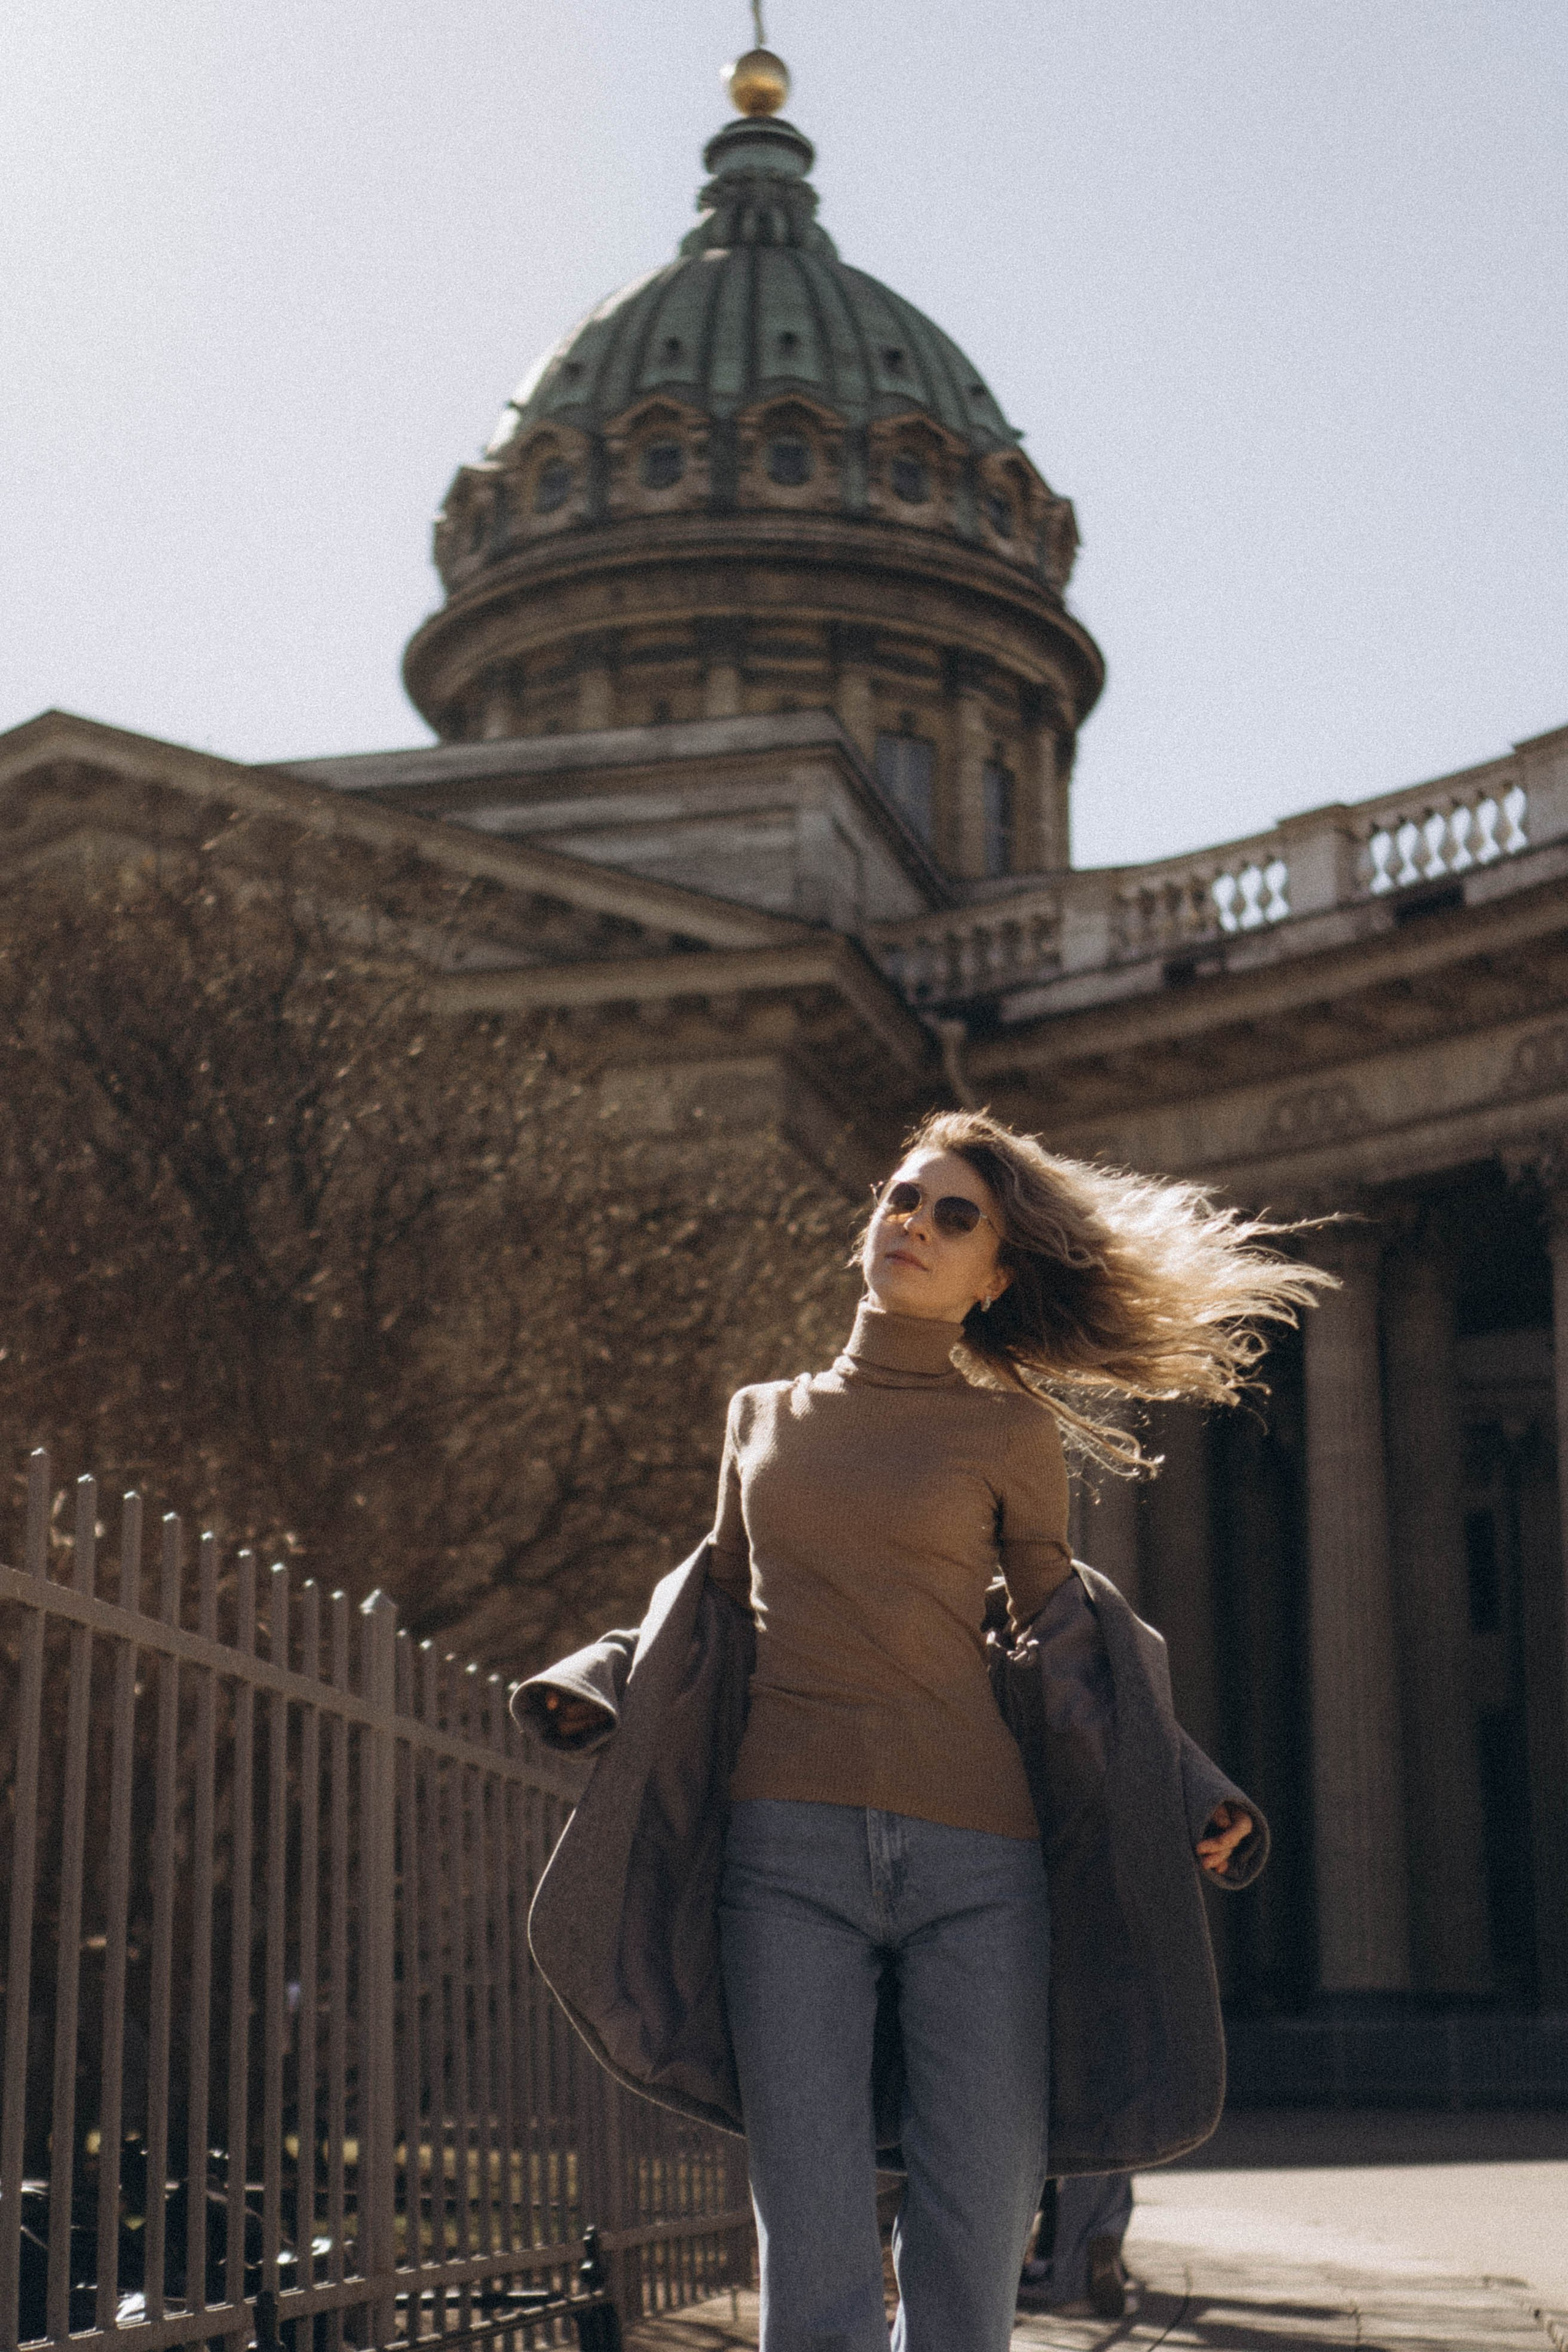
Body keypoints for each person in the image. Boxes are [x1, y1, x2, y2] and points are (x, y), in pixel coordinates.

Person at [529, 1109, 1325, 2352]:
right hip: (778, 1860)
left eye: (955, 1216)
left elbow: (1073, 1642)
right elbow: (705, 1613)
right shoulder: (760, 1417)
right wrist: (596, 1675)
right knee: (813, 2223)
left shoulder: (1006, 1431)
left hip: (979, 1868)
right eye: (902, 1198)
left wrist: (1189, 1792)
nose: (915, 1224)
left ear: (992, 1276)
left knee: (971, 2231)